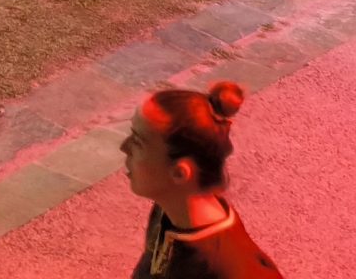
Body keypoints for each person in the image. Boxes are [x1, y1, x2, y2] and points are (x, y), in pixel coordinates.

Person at [120, 79, 282, 278]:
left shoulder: (232, 269)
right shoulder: (167, 211)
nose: (124, 147)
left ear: (180, 173)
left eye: (138, 141)